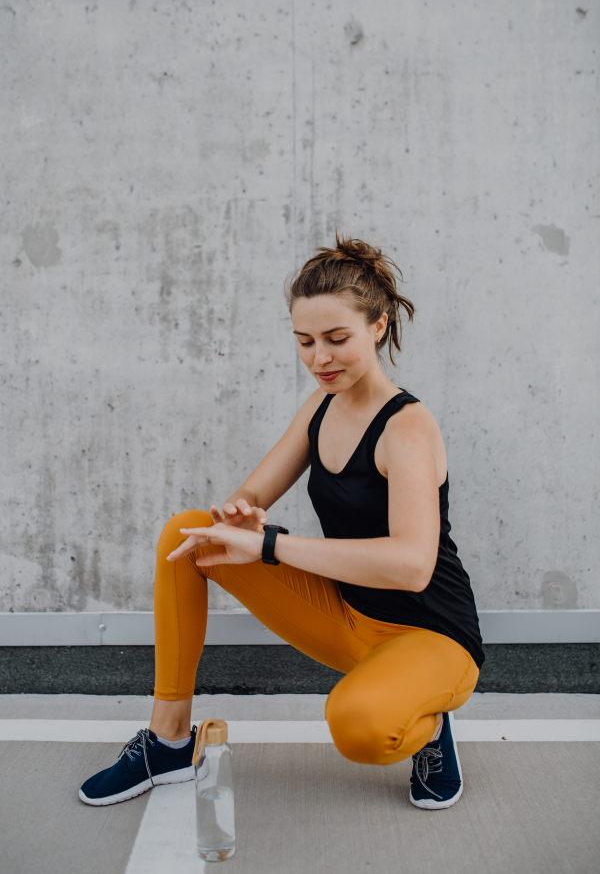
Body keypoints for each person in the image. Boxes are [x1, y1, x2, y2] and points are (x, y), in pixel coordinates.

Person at [79, 235, 484, 810]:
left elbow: (411, 567)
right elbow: (251, 494)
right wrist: (239, 514)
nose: (320, 358)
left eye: (337, 339)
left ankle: (428, 722)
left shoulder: (408, 428)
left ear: (378, 326)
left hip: (431, 637)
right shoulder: (320, 406)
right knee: (188, 534)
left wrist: (268, 544)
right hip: (348, 618)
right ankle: (167, 741)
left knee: (361, 727)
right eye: (305, 341)